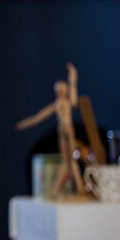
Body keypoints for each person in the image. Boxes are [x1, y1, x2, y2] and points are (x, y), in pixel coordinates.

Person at [16, 63, 86, 197]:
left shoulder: (68, 103)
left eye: (63, 88)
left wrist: (72, 75)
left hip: (68, 129)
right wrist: (25, 124)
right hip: (62, 131)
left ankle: (66, 186)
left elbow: (74, 92)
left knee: (68, 160)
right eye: (60, 89)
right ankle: (74, 186)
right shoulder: (56, 105)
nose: (61, 91)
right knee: (67, 160)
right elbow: (38, 117)